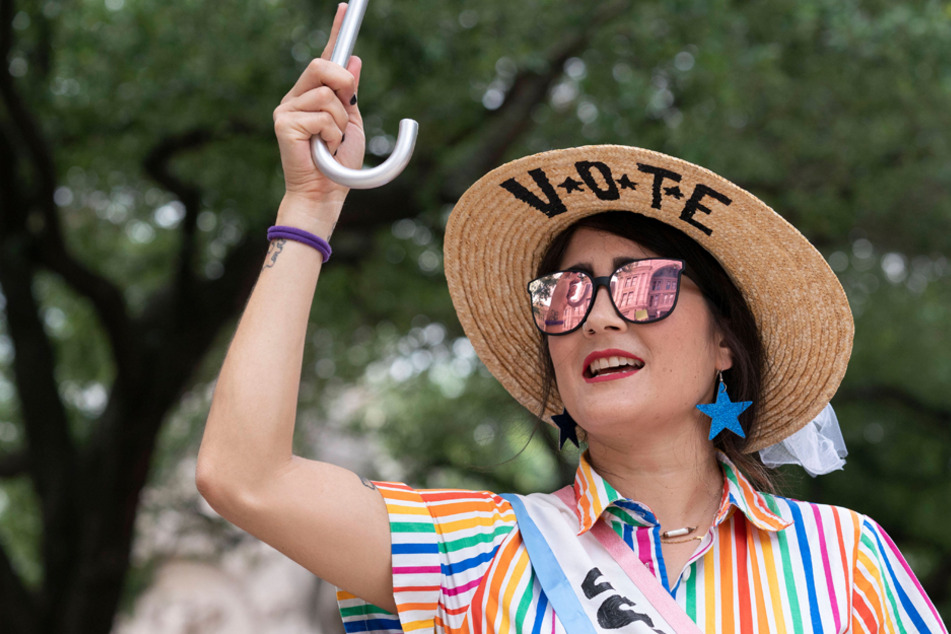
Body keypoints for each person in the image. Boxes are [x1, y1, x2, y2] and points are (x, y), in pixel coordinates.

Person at [196, 5, 947, 633]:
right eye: (565, 294)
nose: (595, 318)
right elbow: (245, 477)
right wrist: (310, 205)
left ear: (724, 340)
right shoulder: (480, 554)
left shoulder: (845, 563)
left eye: (643, 285)